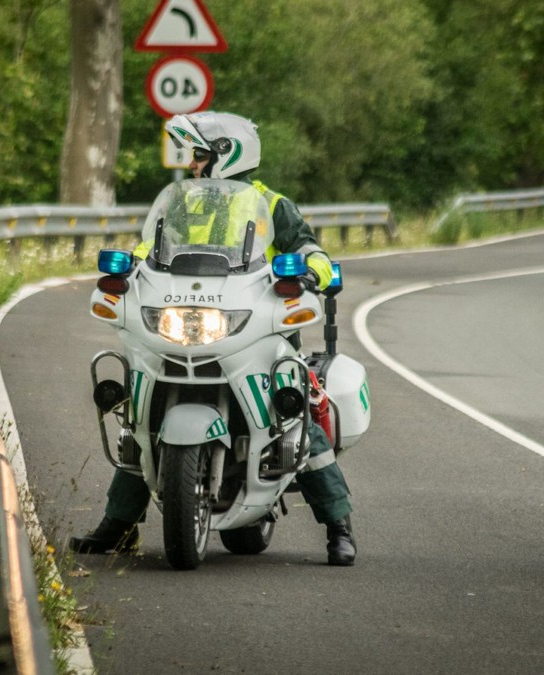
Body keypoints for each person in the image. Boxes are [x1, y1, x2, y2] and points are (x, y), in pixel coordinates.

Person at [69, 111, 357, 566]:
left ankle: (338, 526)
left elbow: (308, 248)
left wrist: (313, 273)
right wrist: (130, 266)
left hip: (256, 326)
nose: (193, 166)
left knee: (298, 415)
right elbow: (150, 250)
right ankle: (117, 527)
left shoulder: (272, 204)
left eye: (200, 156)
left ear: (227, 156)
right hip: (192, 320)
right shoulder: (184, 204)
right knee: (141, 418)